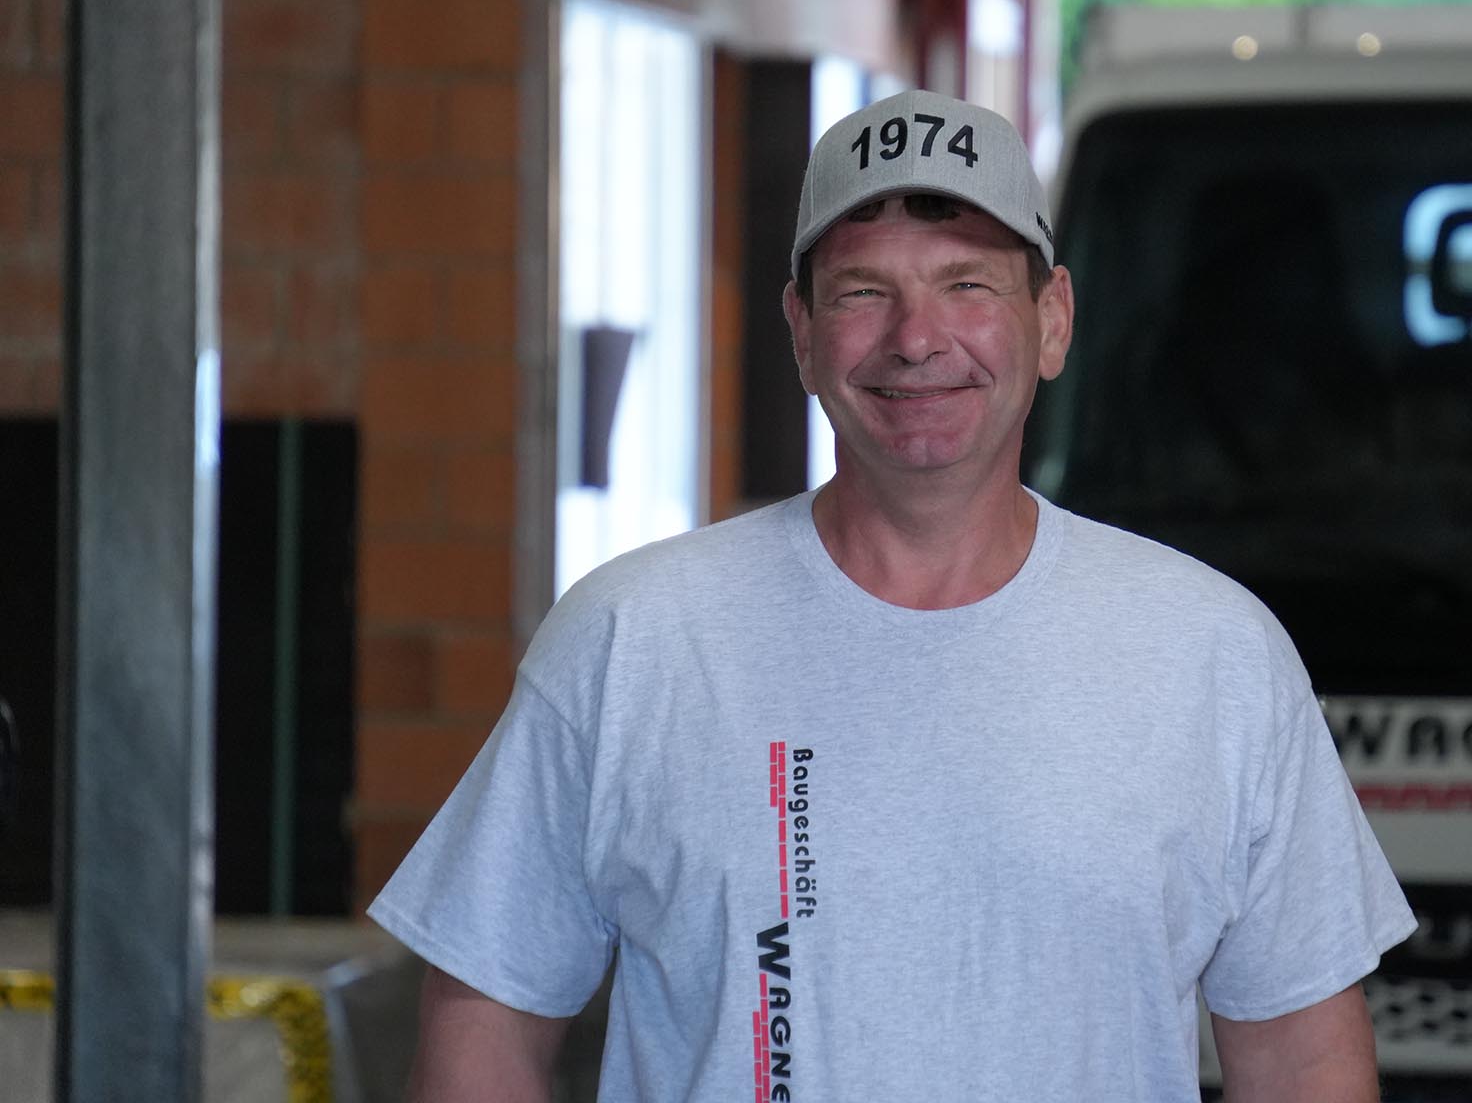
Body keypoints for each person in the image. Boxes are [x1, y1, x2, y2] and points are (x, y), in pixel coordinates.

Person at [370, 88, 1415, 1101]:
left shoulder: (1213, 654)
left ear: (1052, 319)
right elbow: (483, 1032)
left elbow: (1303, 1066)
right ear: (802, 331)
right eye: (863, 291)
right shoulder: (633, 639)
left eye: (968, 284)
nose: (917, 337)